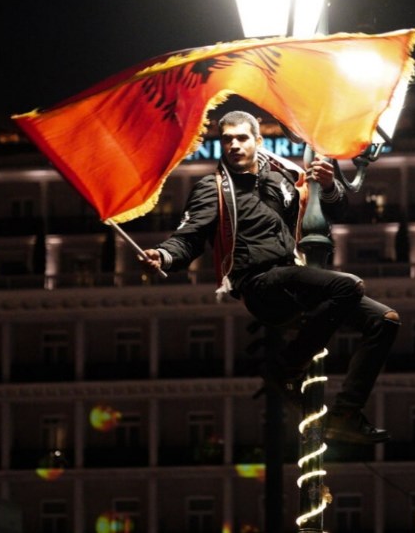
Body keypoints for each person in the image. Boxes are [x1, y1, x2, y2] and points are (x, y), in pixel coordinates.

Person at [141, 110, 400, 444]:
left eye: (241, 138)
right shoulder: (212, 188)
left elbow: (335, 210)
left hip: (292, 277)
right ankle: (287, 368)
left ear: (258, 140)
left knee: (386, 320)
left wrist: (327, 185)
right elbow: (189, 238)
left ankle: (346, 414)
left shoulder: (281, 175)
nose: (234, 145)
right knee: (348, 285)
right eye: (227, 139)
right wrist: (163, 255)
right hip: (258, 284)